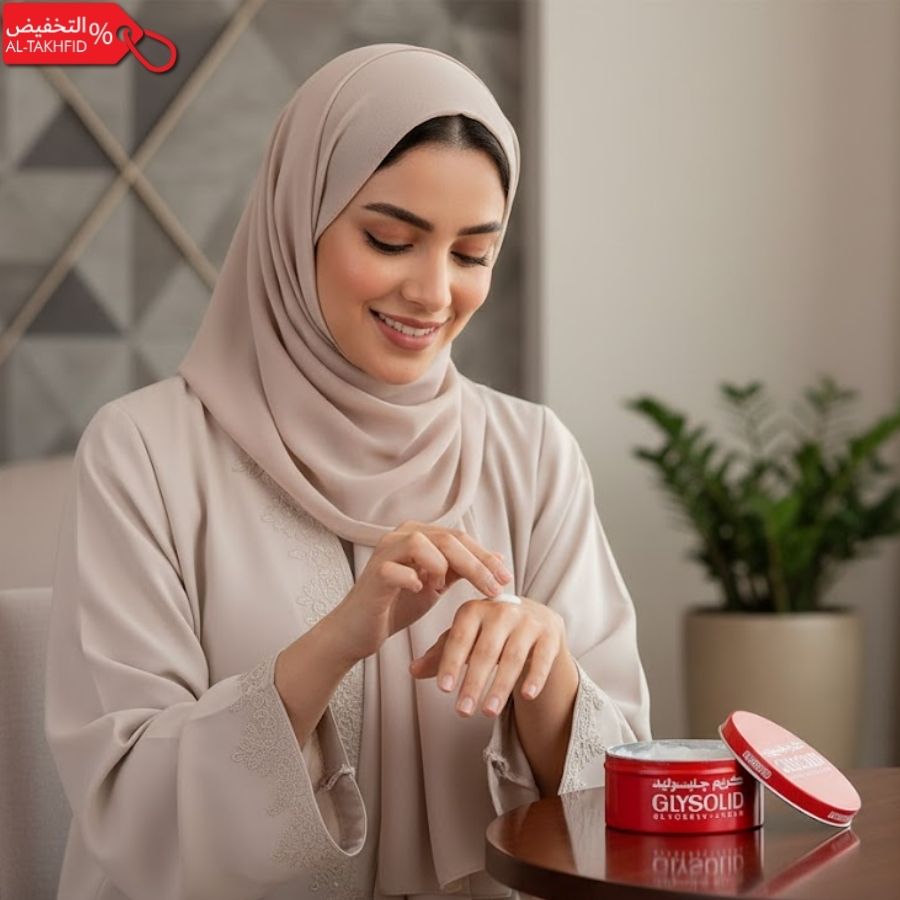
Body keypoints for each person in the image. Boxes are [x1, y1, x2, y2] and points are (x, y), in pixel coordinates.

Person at [44, 44, 651, 900]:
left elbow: (632, 800)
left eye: (472, 254)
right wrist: (335, 643)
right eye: (391, 239)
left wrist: (546, 674)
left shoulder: (533, 453)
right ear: (301, 220)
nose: (434, 293)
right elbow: (124, 802)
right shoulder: (144, 453)